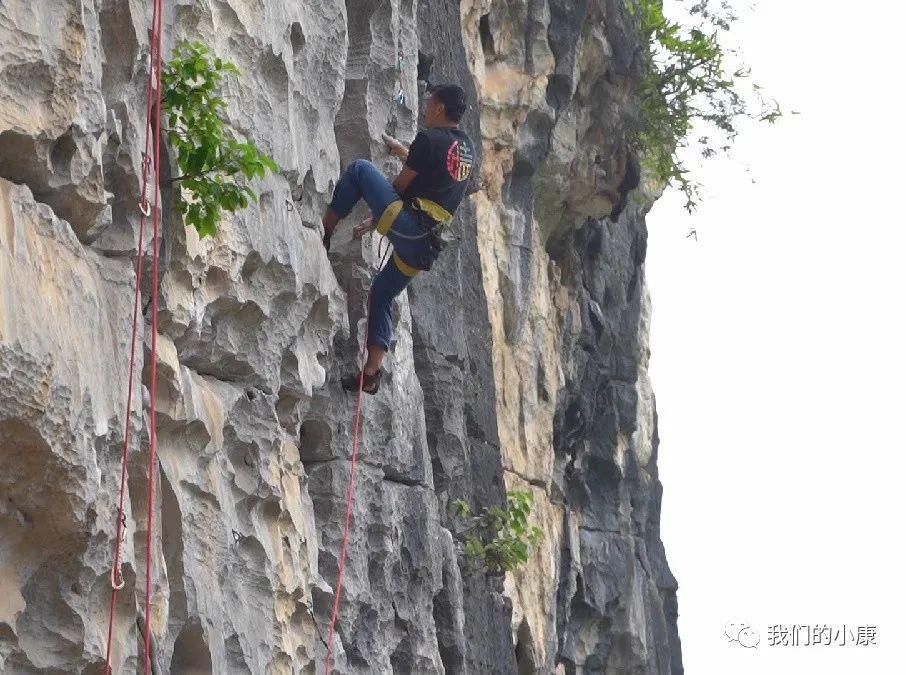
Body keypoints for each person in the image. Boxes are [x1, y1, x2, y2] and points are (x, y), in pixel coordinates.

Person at [320, 84, 475, 394]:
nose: (427, 108)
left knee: (360, 170)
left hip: (410, 226)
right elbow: (435, 173)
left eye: (430, 104)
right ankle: (372, 372)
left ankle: (323, 232)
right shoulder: (465, 149)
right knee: (382, 292)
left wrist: (378, 217)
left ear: (440, 108)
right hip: (426, 247)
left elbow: (401, 186)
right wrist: (403, 150)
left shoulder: (428, 139)